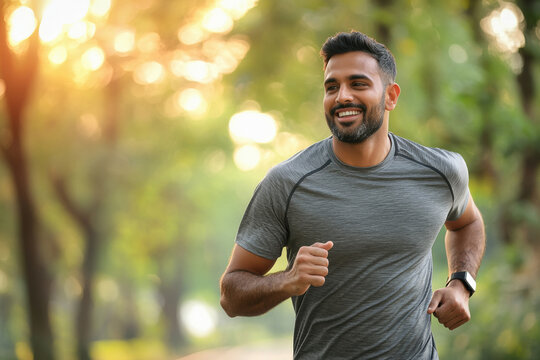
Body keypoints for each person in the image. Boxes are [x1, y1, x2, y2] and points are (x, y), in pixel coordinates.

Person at [219, 31, 485, 359]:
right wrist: (287, 280)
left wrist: (462, 283)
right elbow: (231, 295)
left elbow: (467, 223)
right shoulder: (287, 182)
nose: (342, 96)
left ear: (391, 96)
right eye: (332, 87)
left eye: (358, 84)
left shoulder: (441, 171)